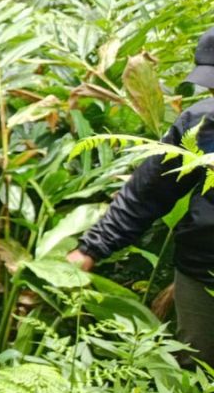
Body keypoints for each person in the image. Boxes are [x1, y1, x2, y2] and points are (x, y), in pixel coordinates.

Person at [69, 27, 214, 367]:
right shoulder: (200, 122)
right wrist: (90, 249)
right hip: (201, 273)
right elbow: (147, 191)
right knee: (197, 377)